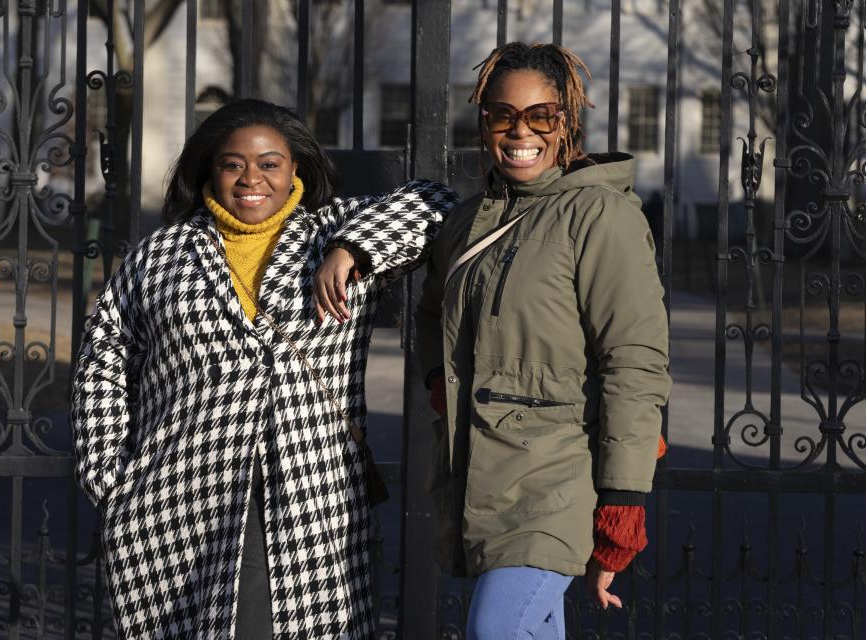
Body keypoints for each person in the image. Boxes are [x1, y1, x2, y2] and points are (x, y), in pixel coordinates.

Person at [71, 98, 456, 639]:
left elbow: (435, 203)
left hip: (309, 493)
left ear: (295, 167)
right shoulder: (161, 257)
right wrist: (109, 477)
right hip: (180, 497)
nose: (252, 178)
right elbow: (103, 357)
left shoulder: (333, 230)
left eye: (269, 163)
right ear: (212, 168)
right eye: (234, 164)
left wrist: (353, 248)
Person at [416, 42, 671, 640]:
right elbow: (430, 313)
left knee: (497, 627)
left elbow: (634, 363)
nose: (519, 131)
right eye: (502, 116)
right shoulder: (470, 219)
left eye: (541, 116)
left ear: (566, 123)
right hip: (480, 472)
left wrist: (624, 497)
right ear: (484, 122)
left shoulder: (599, 215)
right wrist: (437, 383)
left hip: (560, 473)